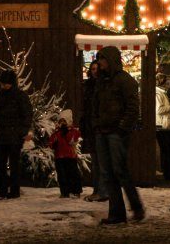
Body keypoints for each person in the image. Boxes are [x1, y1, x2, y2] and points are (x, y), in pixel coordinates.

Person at [92, 46, 144, 225]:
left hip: (115, 132)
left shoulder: (124, 80)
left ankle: (135, 208)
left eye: (103, 59)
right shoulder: (101, 81)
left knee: (119, 171)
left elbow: (132, 107)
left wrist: (122, 128)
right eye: (99, 59)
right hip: (104, 131)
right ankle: (117, 213)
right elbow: (96, 105)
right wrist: (97, 124)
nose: (100, 63)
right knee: (108, 174)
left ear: (111, 60)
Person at [0, 69, 34, 200]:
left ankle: (13, 190)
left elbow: (27, 115)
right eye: (3, 83)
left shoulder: (20, 96)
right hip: (3, 134)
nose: (4, 86)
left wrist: (22, 131)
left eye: (5, 83)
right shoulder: (2, 95)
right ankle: (2, 190)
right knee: (1, 164)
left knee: (14, 164)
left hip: (14, 135)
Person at [81, 61, 108, 202]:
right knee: (97, 162)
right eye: (92, 69)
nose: (94, 71)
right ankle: (98, 190)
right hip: (92, 128)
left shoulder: (102, 85)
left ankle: (102, 191)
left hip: (99, 128)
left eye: (96, 69)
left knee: (100, 162)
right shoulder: (89, 86)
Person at [49, 109, 83, 198]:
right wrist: (53, 142)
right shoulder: (56, 132)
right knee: (62, 176)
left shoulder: (73, 131)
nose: (62, 124)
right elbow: (51, 144)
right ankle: (64, 192)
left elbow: (71, 141)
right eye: (61, 121)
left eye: (64, 121)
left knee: (73, 174)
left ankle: (76, 191)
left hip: (70, 156)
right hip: (59, 157)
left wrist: (66, 132)